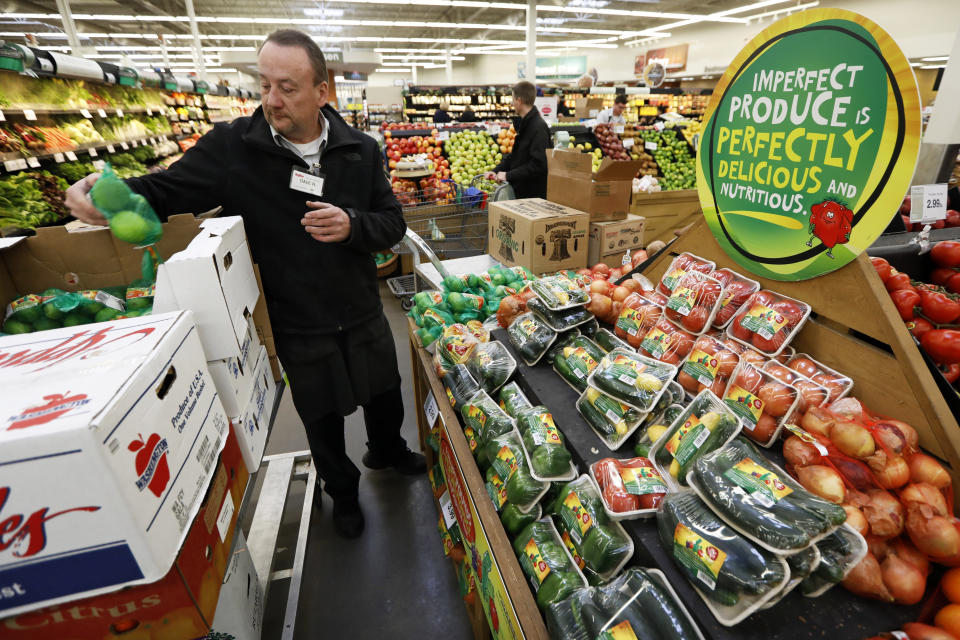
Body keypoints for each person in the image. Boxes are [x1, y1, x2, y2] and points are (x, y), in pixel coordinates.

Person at [64, 28, 425, 540]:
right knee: (320, 415)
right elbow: (167, 189)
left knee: (384, 392)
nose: (272, 101)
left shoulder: (359, 150)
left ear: (323, 92)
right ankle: (342, 491)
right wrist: (110, 198)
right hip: (296, 316)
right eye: (264, 86)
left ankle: (387, 450)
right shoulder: (235, 149)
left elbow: (391, 222)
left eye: (288, 87)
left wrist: (352, 225)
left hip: (362, 307)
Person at [486, 81, 550, 199]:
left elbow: (539, 165)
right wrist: (495, 171)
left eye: (513, 99)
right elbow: (515, 156)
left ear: (519, 100)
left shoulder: (538, 127)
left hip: (533, 197)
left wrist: (508, 175)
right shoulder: (526, 124)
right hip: (522, 193)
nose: (512, 103)